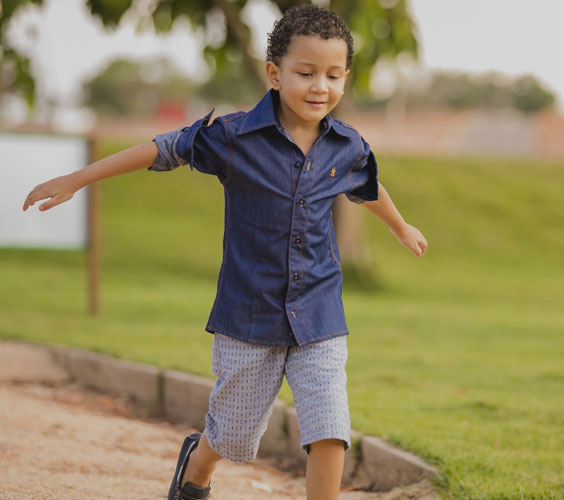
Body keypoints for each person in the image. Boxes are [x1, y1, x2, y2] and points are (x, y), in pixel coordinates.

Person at [23, 5, 427, 500]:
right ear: (274, 74)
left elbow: (367, 187)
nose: (320, 86)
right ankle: (199, 461)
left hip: (320, 313)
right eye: (306, 73)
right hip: (248, 315)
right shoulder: (233, 137)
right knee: (234, 437)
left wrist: (402, 226)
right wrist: (76, 179)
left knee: (329, 427)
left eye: (333, 75)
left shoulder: (347, 146)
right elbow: (163, 148)